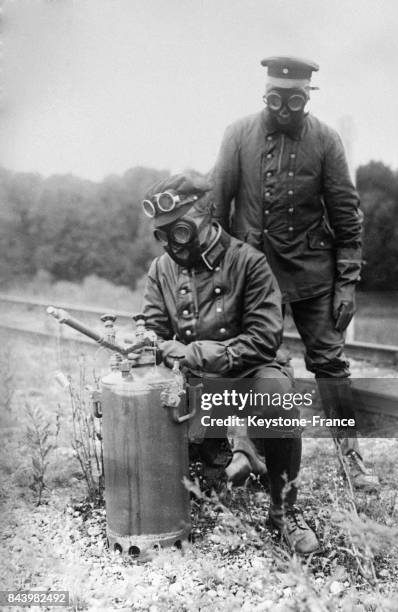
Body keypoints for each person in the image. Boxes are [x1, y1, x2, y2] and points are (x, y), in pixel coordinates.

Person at [211, 56, 379, 490]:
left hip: (313, 274)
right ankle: (247, 453)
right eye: (275, 99)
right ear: (264, 94)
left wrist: (346, 283)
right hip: (253, 273)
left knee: (330, 363)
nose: (284, 110)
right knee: (253, 361)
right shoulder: (237, 134)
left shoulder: (325, 140)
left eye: (295, 101)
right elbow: (216, 206)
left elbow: (347, 216)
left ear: (308, 97)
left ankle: (351, 456)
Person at [140, 173, 319, 554]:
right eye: (163, 235)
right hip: (196, 384)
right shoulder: (161, 270)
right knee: (206, 484)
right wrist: (148, 344)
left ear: (208, 217)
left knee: (277, 396)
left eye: (181, 232)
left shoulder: (249, 262)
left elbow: (263, 339)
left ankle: (283, 511)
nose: (173, 245)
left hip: (249, 374)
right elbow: (153, 329)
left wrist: (193, 353)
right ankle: (230, 460)